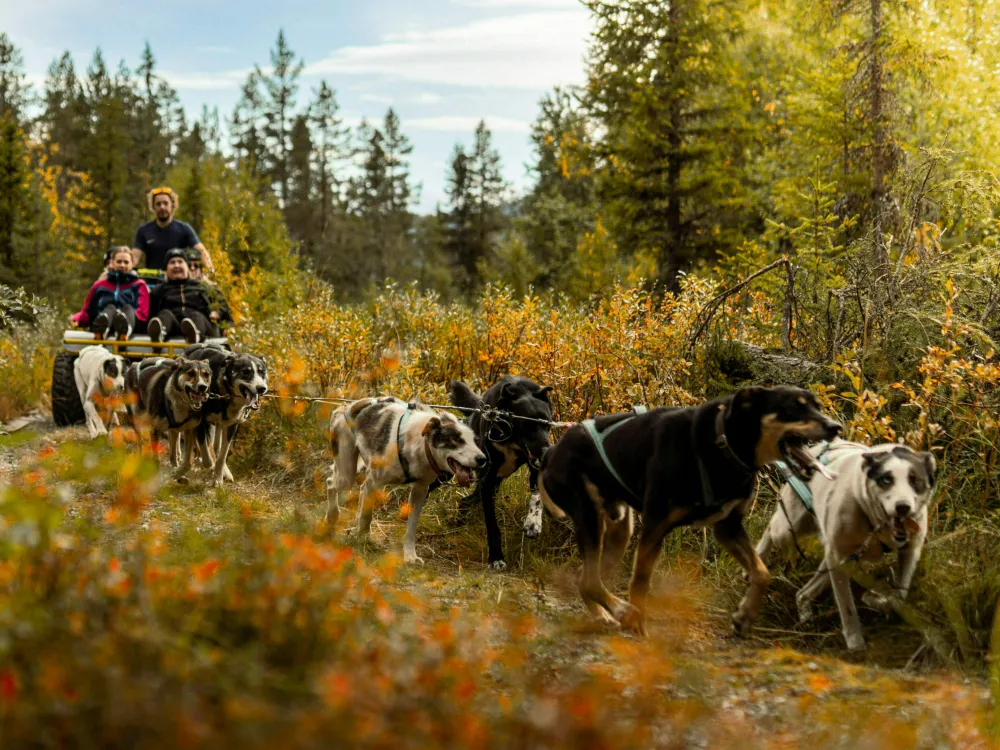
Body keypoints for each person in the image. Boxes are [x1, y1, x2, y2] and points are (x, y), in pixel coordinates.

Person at [147, 248, 228, 344]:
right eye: (172, 262)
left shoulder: (203, 286)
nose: (176, 265)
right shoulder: (159, 290)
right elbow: (150, 312)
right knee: (165, 314)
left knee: (196, 315)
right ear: (167, 268)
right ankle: (158, 335)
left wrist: (217, 312)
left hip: (203, 327)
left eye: (180, 262)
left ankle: (194, 335)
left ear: (187, 266)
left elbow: (222, 304)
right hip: (173, 327)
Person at [71, 246, 150, 339]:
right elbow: (87, 312)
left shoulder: (139, 285)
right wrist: (76, 319)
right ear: (112, 263)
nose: (122, 265)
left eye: (126, 262)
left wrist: (120, 315)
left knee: (128, 309)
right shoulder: (99, 285)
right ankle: (102, 329)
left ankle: (124, 330)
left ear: (132, 264)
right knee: (110, 308)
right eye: (119, 261)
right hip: (105, 319)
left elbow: (142, 314)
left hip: (132, 325)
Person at [132, 187, 214, 273]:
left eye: (165, 203)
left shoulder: (184, 229)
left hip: (177, 280)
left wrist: (210, 271)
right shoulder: (144, 230)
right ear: (153, 207)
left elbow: (201, 251)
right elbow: (134, 257)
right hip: (153, 281)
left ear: (172, 205)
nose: (162, 207)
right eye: (158, 204)